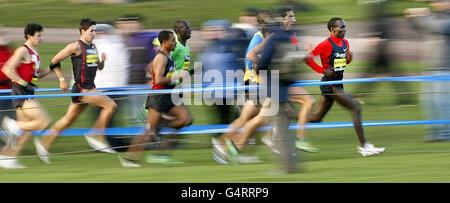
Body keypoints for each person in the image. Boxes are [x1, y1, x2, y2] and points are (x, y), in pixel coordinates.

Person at [35, 18, 118, 164]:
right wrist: (61, 79)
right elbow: (54, 61)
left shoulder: (93, 46)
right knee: (110, 105)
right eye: (91, 31)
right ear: (83, 31)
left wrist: (102, 62)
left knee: (68, 120)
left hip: (90, 87)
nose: (94, 33)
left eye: (95, 31)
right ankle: (96, 136)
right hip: (81, 88)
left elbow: (98, 67)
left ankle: (43, 144)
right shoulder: (75, 46)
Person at [304, 17, 385, 156]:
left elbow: (344, 62)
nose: (344, 29)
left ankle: (285, 116)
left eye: (345, 26)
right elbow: (307, 58)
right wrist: (322, 70)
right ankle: (365, 146)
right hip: (329, 85)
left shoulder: (345, 42)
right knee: (356, 108)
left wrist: (349, 58)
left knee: (316, 118)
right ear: (332, 29)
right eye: (341, 27)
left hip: (338, 83)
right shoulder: (325, 45)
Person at [119, 30, 192, 167]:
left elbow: (150, 68)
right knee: (149, 131)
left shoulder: (168, 56)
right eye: (172, 41)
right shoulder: (161, 57)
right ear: (164, 42)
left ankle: (160, 124)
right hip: (158, 97)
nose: (175, 43)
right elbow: (158, 79)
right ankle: (129, 159)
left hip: (169, 95)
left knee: (185, 119)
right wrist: (176, 77)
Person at [0, 23, 55, 168]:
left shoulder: (34, 51)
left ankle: (7, 158)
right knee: (44, 121)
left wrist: (51, 67)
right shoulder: (22, 51)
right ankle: (12, 124)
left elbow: (36, 75)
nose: (41, 38)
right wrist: (22, 83)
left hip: (28, 91)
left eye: (42, 35)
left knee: (26, 131)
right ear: (30, 36)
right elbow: (7, 69)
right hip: (21, 92)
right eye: (39, 36)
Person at [404, 1, 450, 141]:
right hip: (432, 66)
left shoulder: (442, 19)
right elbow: (420, 26)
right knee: (428, 101)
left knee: (442, 102)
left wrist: (422, 16)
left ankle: (446, 133)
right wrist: (411, 17)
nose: (436, 3)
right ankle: (435, 132)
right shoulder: (435, 16)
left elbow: (441, 27)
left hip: (446, 67)